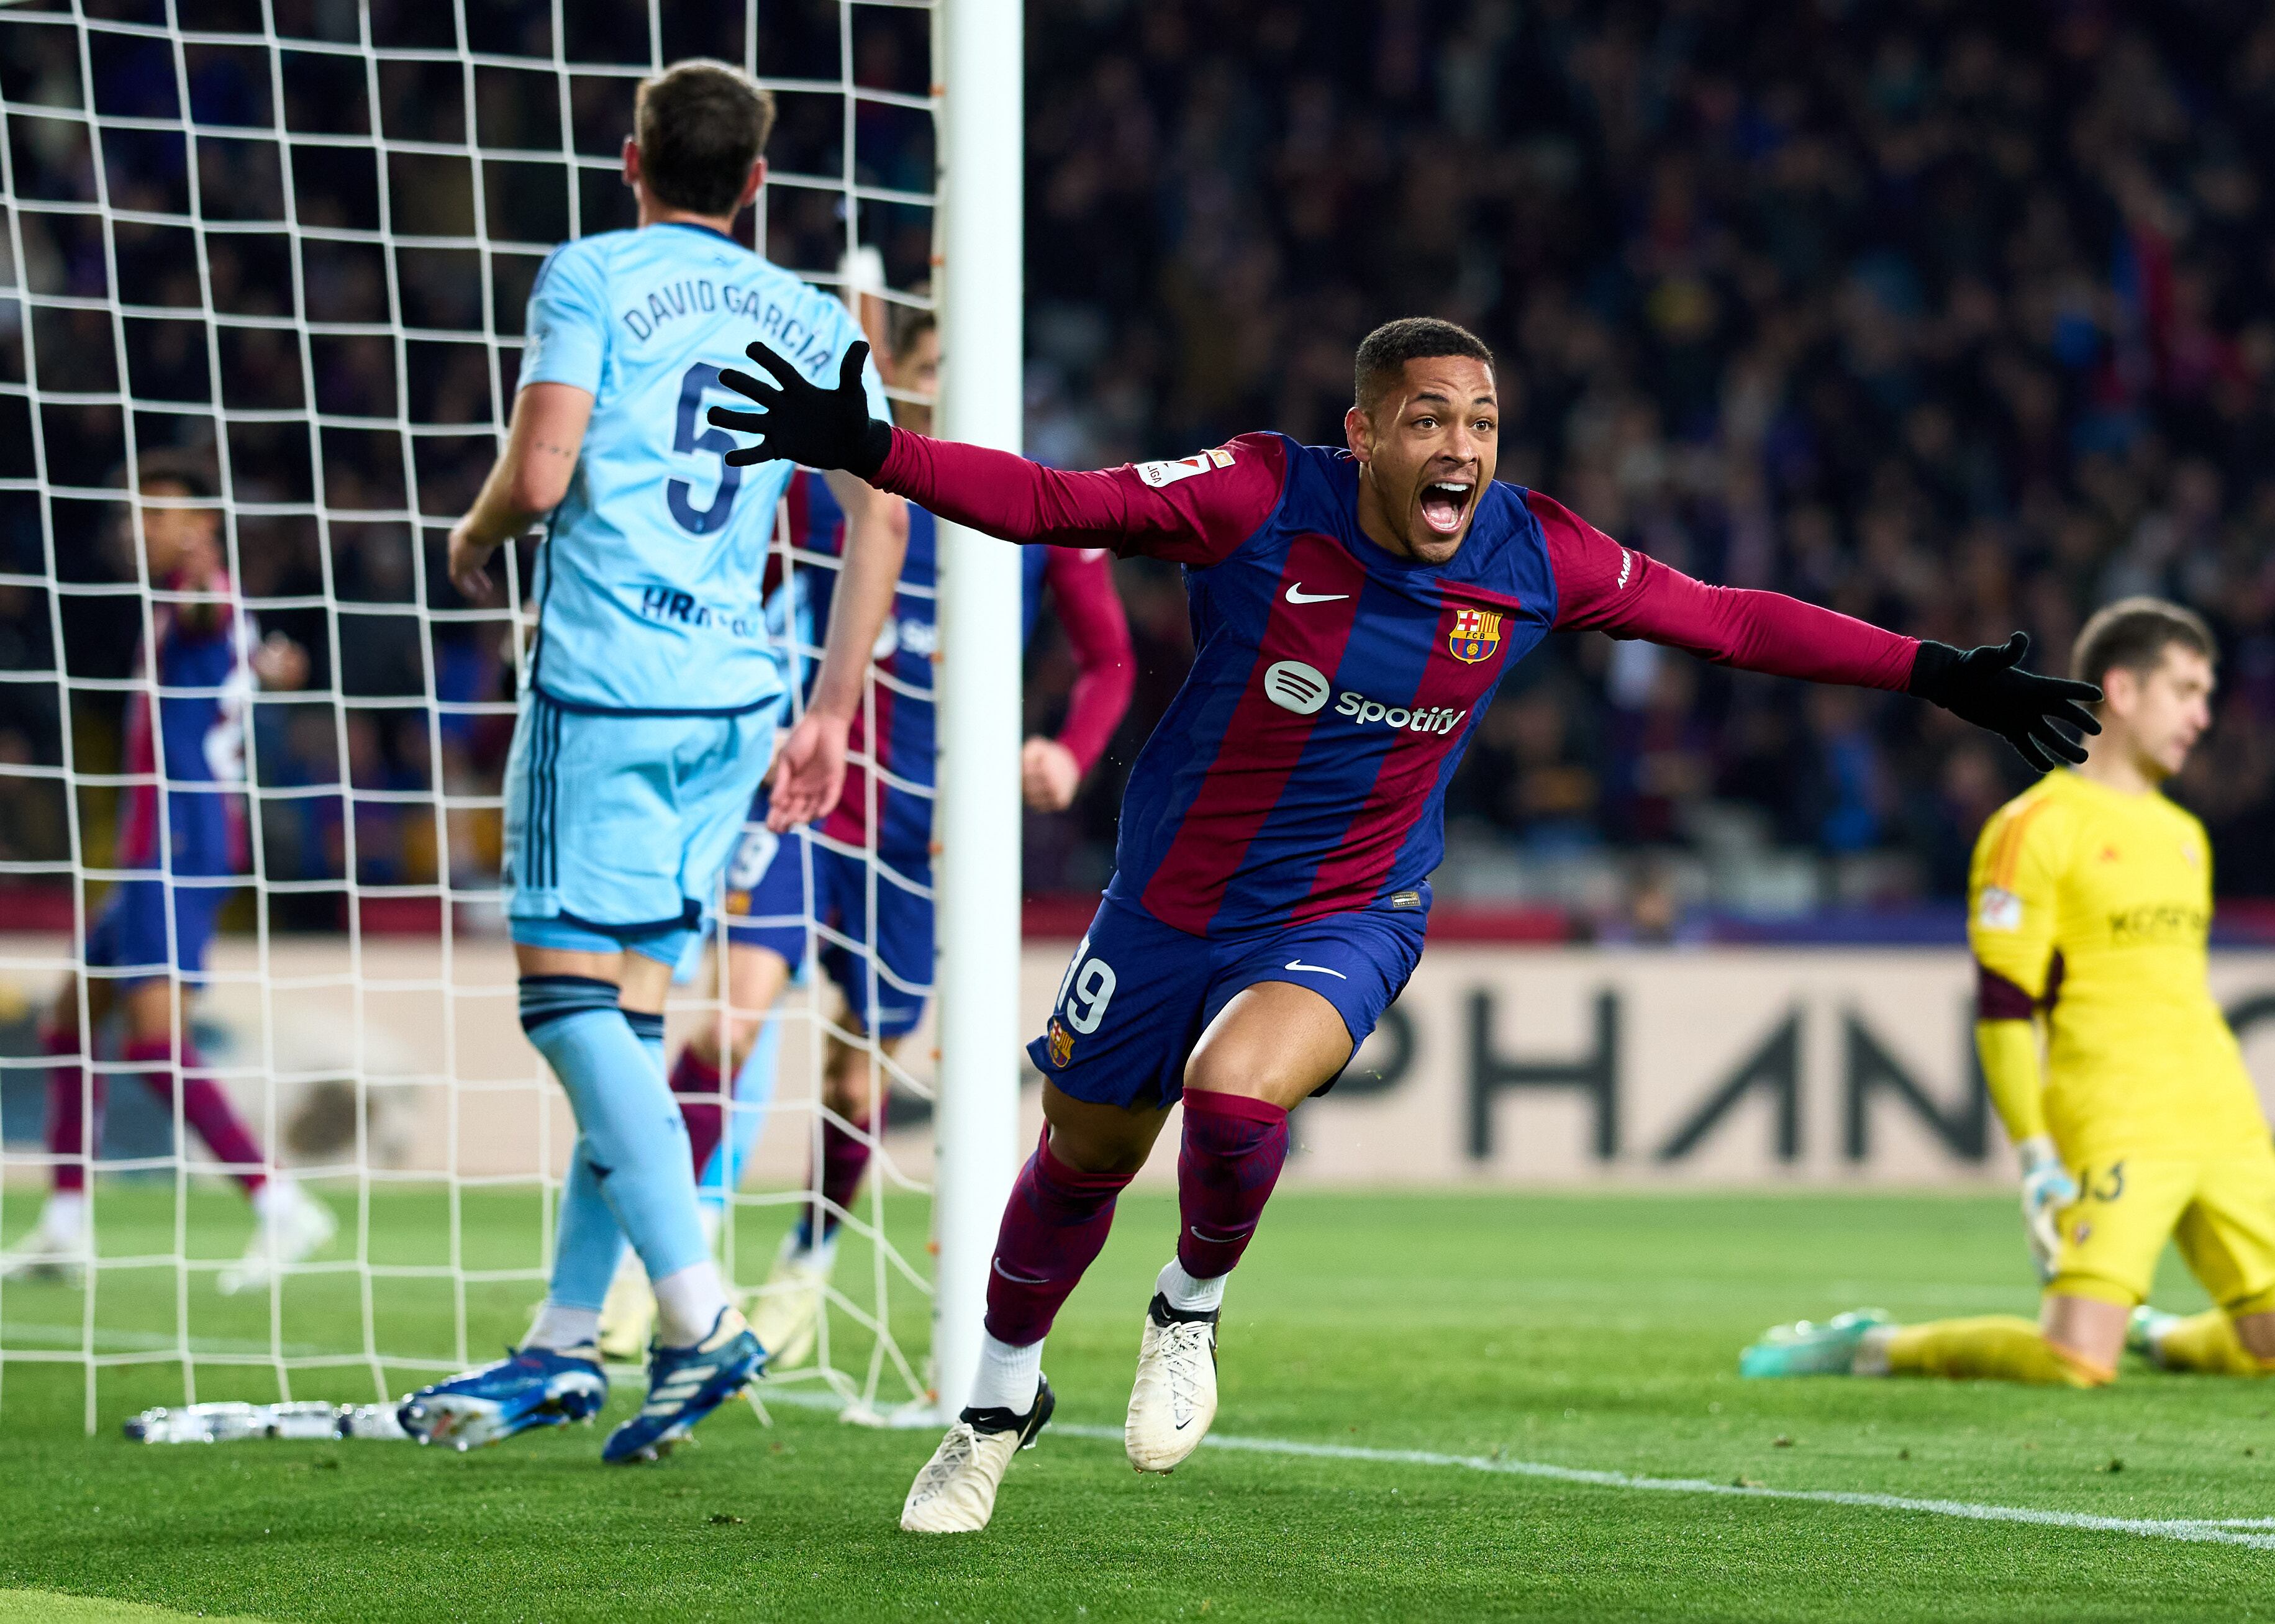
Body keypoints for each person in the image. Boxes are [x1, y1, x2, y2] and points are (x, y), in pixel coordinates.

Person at [711, 315, 2098, 1531]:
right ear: (1362, 431)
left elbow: (1726, 618)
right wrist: (880, 449)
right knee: (1082, 1155)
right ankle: (996, 1403)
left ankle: (1186, 1308)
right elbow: (1053, 500)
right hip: (1171, 898)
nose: (1462, 444)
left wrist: (1934, 674)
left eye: (1482, 419)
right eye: (1429, 417)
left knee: (1236, 1095)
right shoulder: (1258, 494)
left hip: (1351, 904)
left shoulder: (1533, 550)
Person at [392, 58, 909, 1463]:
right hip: (741, 701)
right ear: (754, 182)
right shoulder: (813, 316)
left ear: (632, 161)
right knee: (623, 1021)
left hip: (609, 687)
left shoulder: (590, 273)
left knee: (563, 1011)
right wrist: (831, 710)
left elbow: (545, 470)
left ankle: (696, 1314)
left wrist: (474, 532)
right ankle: (565, 1339)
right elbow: (886, 520)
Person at [606, 312, 1136, 1366]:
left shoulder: (1041, 508)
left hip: (932, 839)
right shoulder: (828, 486)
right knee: (726, 1026)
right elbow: (739, 596)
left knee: (858, 1083)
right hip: (813, 799)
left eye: (967, 369)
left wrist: (1070, 754)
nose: (948, 389)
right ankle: (659, 1269)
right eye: (931, 370)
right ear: (895, 376)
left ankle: (805, 1263)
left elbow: (1110, 663)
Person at [1740, 599, 2275, 1389]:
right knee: (2073, 1361)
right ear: (2121, 690)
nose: (2204, 715)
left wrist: (2255, 1151)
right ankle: (1874, 1346)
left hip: (2226, 1117)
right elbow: (2003, 1007)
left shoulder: (2185, 837)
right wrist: (2035, 1154)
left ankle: (2158, 1337)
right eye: (2187, 690)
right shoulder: (2036, 827)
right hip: (2115, 1116)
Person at [0, 449, 325, 1294]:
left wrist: (203, 579)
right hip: (156, 846)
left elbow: (208, 614)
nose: (142, 527)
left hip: (178, 847)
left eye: (162, 512)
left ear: (201, 524)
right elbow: (240, 656)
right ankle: (66, 1224)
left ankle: (280, 1200)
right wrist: (270, 662)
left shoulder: (201, 597)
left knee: (154, 1043)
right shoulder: (203, 611)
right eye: (136, 514)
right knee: (69, 1020)